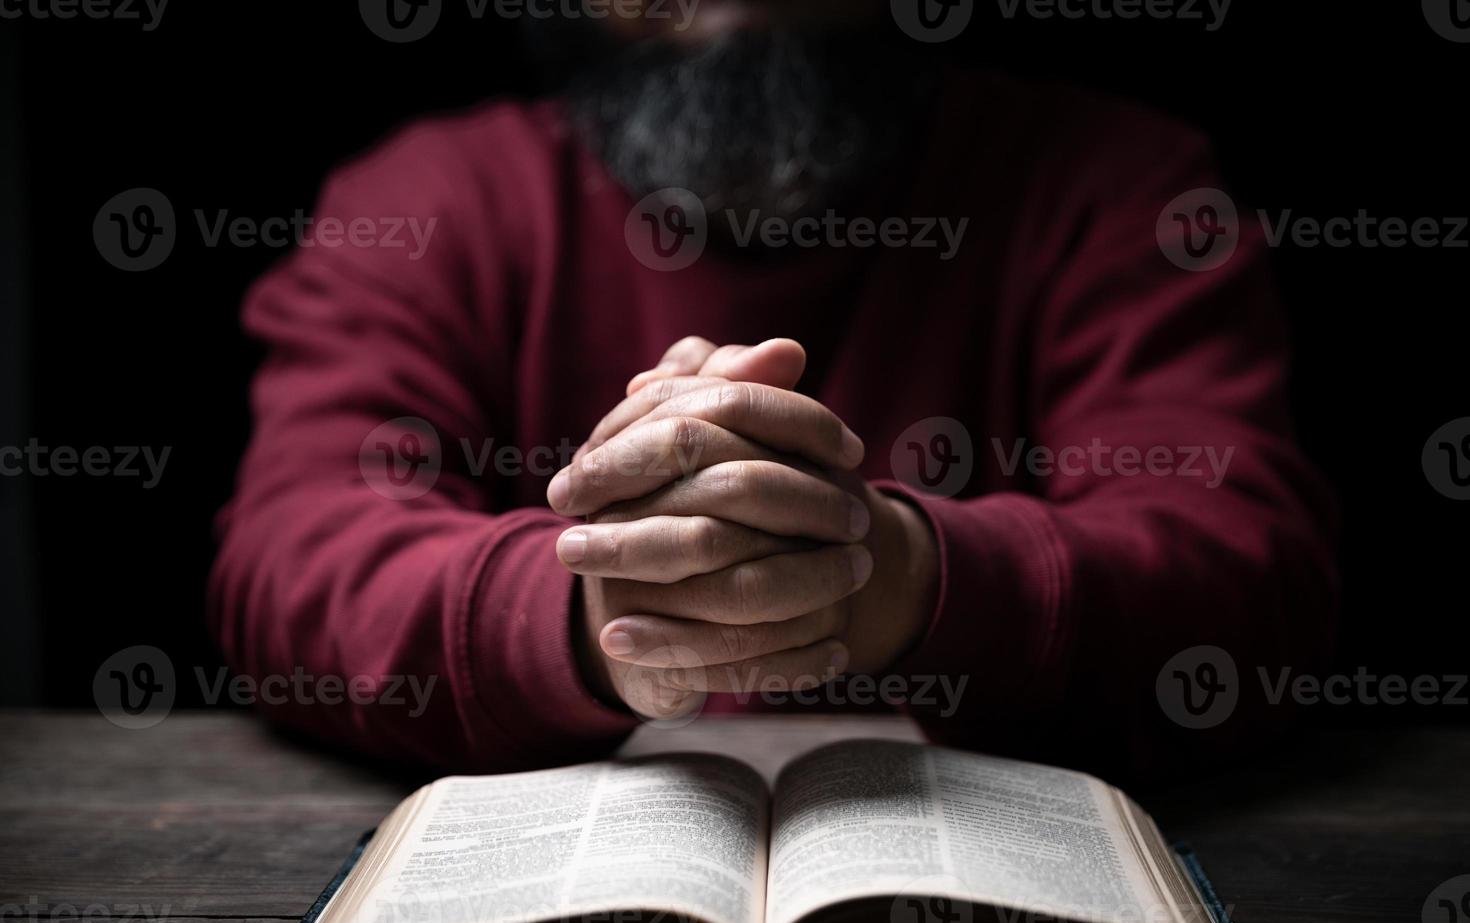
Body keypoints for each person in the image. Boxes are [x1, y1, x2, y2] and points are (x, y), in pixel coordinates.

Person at [208, 0, 1337, 775]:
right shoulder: (424, 198)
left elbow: (1249, 574)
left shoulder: (1118, 187)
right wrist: (598, 603)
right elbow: (291, 554)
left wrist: (893, 574)